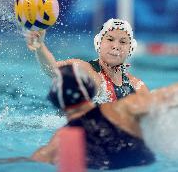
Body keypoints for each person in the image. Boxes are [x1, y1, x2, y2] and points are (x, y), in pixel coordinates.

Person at [31, 63, 178, 170]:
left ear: (57, 103)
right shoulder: (122, 109)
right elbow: (170, 95)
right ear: (91, 90)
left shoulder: (55, 145)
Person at [25, 18, 149, 105]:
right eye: (110, 39)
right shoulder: (83, 69)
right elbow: (52, 70)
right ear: (99, 44)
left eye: (123, 42)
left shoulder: (137, 87)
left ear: (130, 49)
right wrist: (40, 46)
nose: (116, 46)